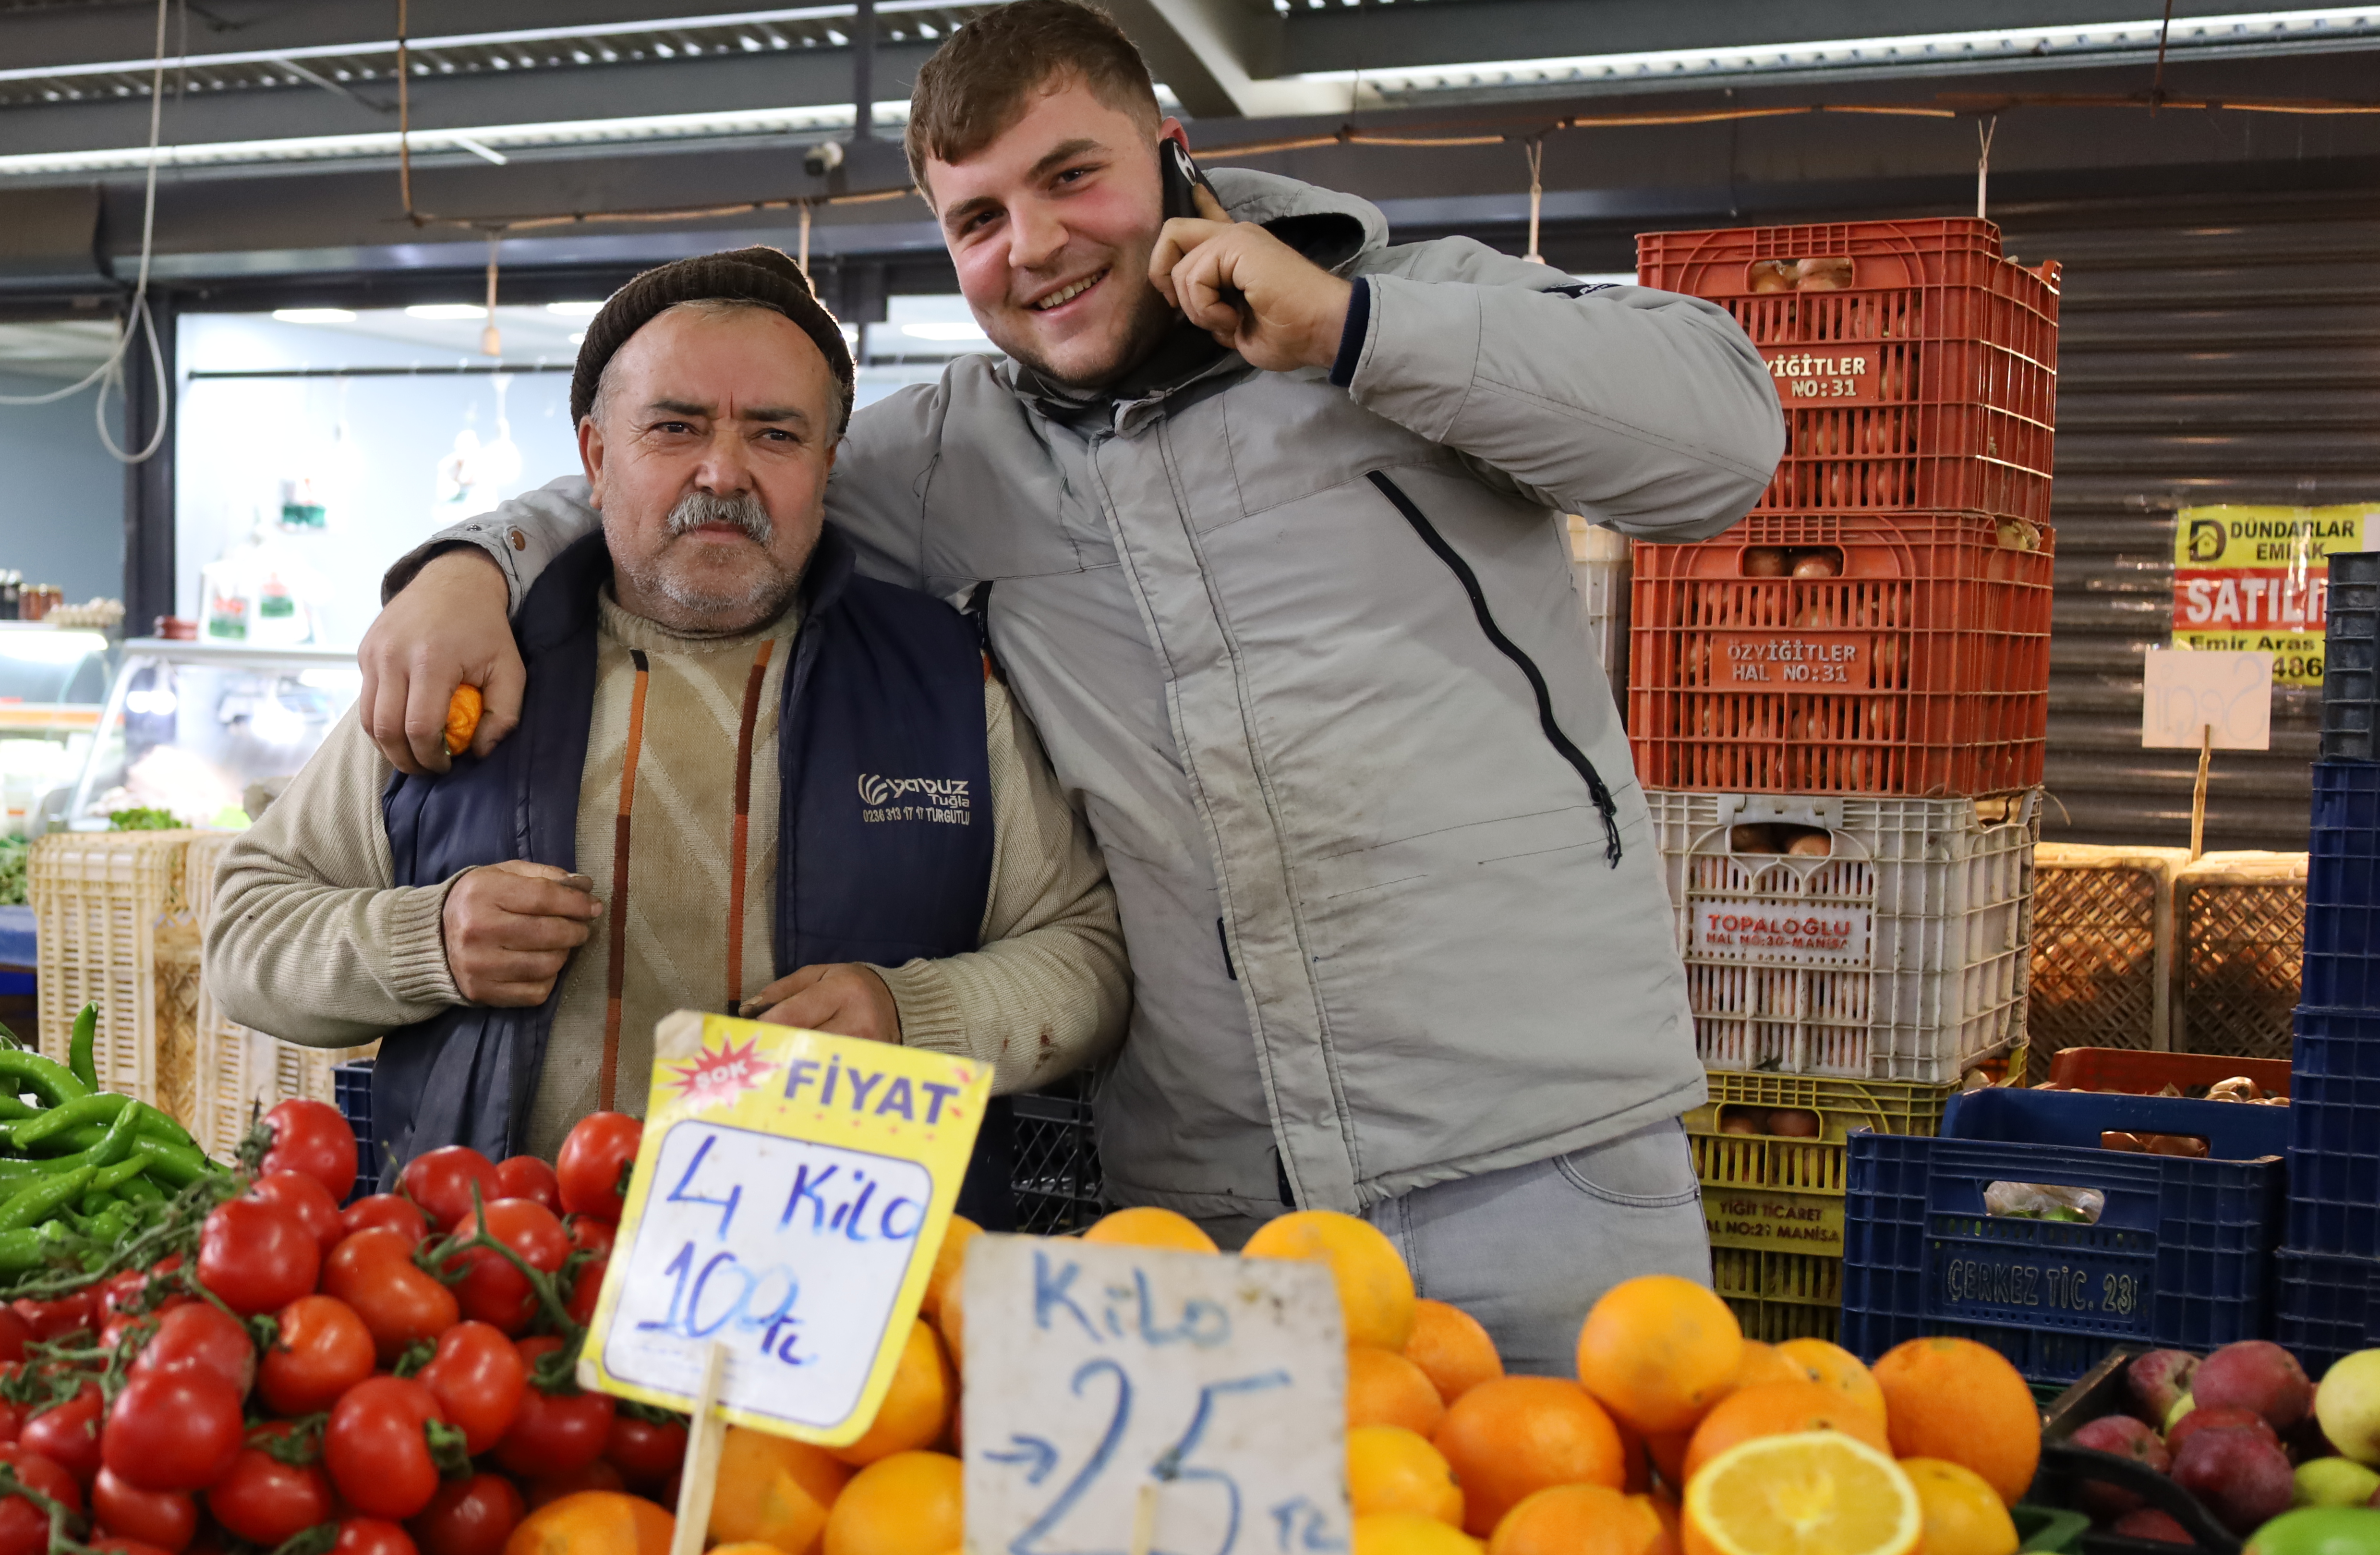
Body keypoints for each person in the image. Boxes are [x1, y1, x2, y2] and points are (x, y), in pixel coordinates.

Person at [350, 1, 1786, 1370]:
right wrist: (470, 561)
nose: (1031, 247)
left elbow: (1723, 441)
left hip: (1538, 1170)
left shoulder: (1414, 312)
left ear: (1165, 149)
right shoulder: (939, 465)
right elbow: (701, 480)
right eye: (976, 218)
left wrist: (1351, 331)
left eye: (1070, 178)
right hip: (1206, 1201)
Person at [206, 247, 1128, 1182]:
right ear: (597, 458)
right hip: (495, 1278)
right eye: (676, 428)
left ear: (827, 463)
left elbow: (1089, 956)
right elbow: (246, 935)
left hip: (846, 1288)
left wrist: (912, 1015)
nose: (723, 473)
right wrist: (427, 943)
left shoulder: (942, 685)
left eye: (775, 434)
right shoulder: (470, 667)